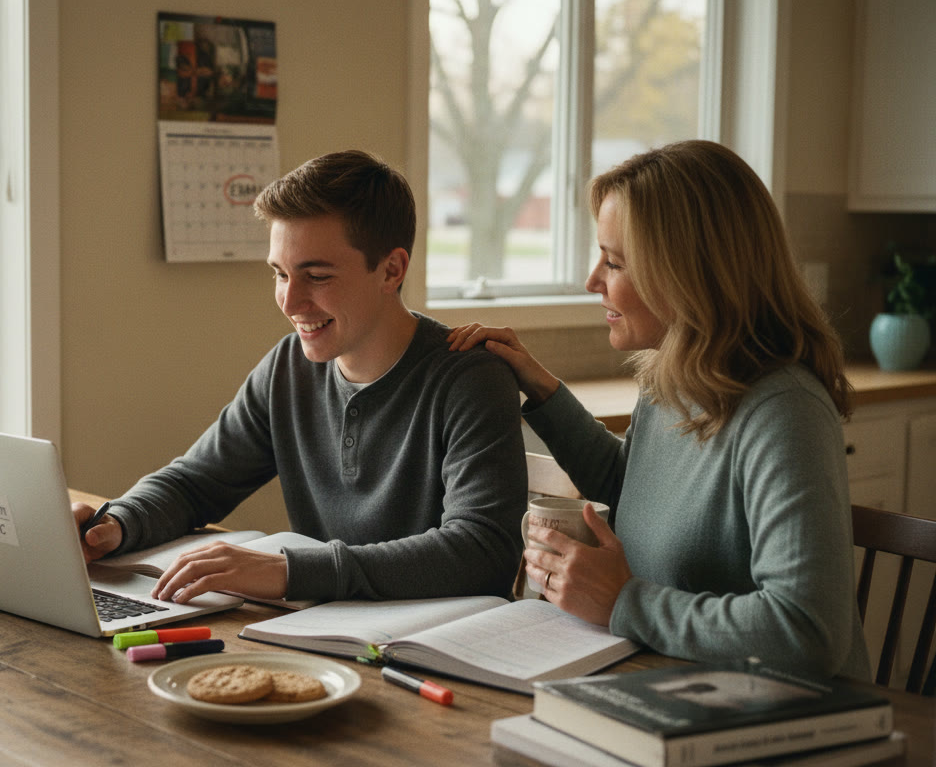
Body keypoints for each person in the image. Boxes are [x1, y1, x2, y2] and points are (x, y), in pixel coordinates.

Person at [447, 140, 870, 680]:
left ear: (689, 273)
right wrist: (542, 389)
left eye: (615, 261)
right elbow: (639, 488)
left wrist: (625, 602)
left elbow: (808, 631)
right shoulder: (674, 378)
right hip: (678, 681)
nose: (592, 279)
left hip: (791, 724)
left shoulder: (784, 410)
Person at [75, 149, 527, 605]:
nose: (290, 303)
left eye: (317, 276)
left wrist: (290, 571)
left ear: (391, 270)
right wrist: (116, 524)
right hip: (319, 633)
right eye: (280, 274)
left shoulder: (471, 378)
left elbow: (483, 549)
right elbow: (196, 483)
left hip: (436, 647)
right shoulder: (289, 368)